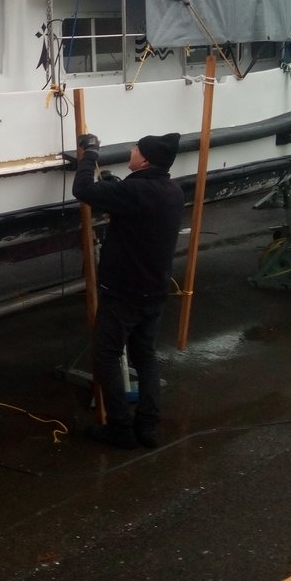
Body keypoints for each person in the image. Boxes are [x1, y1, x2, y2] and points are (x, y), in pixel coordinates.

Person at [72, 132, 186, 449]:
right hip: (155, 291)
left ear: (145, 159)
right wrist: (114, 186)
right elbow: (135, 206)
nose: (130, 151)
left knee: (106, 356)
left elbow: (82, 189)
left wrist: (90, 155)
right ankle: (148, 427)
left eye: (135, 149)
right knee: (145, 356)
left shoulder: (134, 191)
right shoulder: (173, 191)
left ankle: (119, 429)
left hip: (123, 293)